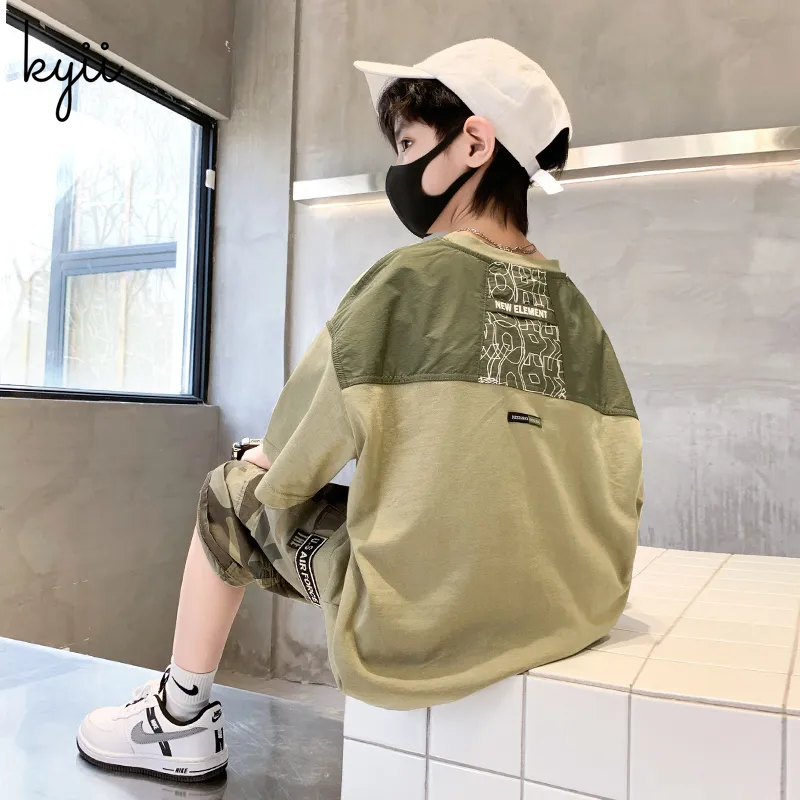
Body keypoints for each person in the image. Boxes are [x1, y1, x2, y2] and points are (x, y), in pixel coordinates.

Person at [76, 38, 643, 783]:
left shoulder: (409, 281)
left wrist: (263, 461)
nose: (399, 168)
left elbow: (288, 462)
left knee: (229, 493)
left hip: (420, 620)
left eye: (408, 144)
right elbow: (617, 485)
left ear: (475, 143)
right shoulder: (578, 311)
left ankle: (177, 721)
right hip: (573, 606)